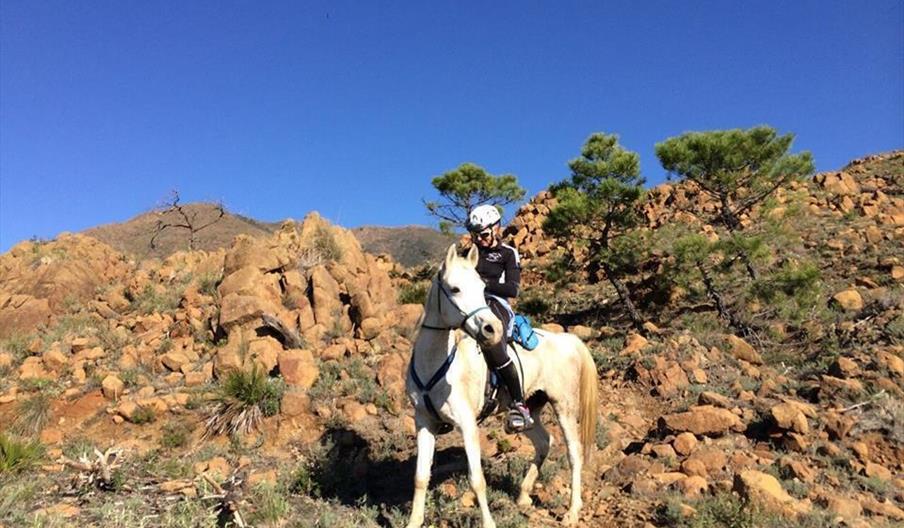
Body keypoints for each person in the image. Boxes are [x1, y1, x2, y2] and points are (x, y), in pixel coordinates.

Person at [466, 204, 534, 432]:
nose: (479, 239)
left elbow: (513, 289)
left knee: (493, 342)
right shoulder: (469, 252)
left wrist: (484, 285)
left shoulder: (507, 253)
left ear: (496, 229)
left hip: (498, 304)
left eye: (483, 234)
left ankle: (519, 404)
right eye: (475, 235)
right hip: (471, 304)